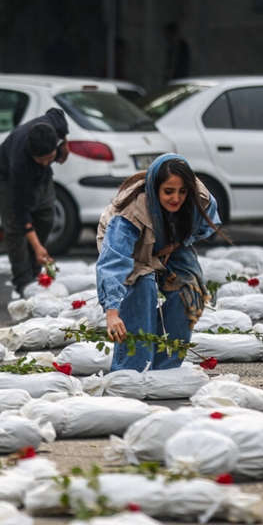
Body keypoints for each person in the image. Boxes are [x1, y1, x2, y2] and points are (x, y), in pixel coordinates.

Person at [96, 153, 229, 372]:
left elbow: (206, 225)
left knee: (188, 289)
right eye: (168, 192)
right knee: (143, 287)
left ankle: (164, 370)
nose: (176, 198)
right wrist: (111, 311)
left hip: (171, 240)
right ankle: (131, 370)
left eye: (182, 192)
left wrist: (177, 244)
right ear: (154, 189)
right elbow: (114, 262)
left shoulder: (200, 198)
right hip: (133, 248)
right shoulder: (129, 215)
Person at [0, 108, 69, 295]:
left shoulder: (54, 124)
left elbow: (57, 112)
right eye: (40, 159)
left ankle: (36, 271)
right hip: (5, 175)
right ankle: (23, 283)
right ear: (32, 154)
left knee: (46, 215)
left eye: (49, 158)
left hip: (41, 176)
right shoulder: (20, 164)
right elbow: (21, 211)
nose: (44, 163)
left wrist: (65, 145)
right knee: (15, 229)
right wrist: (37, 246)